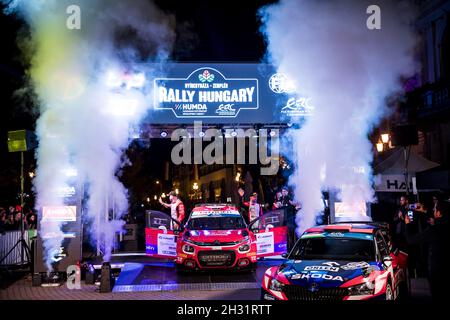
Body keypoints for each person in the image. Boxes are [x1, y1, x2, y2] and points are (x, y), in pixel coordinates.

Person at [405, 204, 449, 301]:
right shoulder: (441, 227)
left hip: (437, 271)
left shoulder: (434, 230)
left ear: (438, 213)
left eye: (434, 208)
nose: (433, 209)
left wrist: (407, 224)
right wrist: (425, 212)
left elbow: (411, 239)